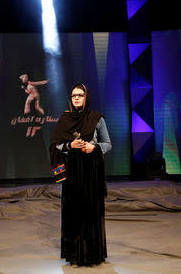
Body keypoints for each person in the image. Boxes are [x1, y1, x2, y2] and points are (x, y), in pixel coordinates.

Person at [49, 83, 112, 266]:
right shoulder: (65, 119)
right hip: (72, 172)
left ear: (87, 97)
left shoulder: (96, 118)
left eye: (80, 95)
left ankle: (93, 255)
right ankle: (75, 255)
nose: (76, 98)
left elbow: (108, 143)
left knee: (91, 212)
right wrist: (70, 146)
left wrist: (95, 147)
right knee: (73, 212)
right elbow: (55, 145)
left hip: (91, 170)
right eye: (73, 95)